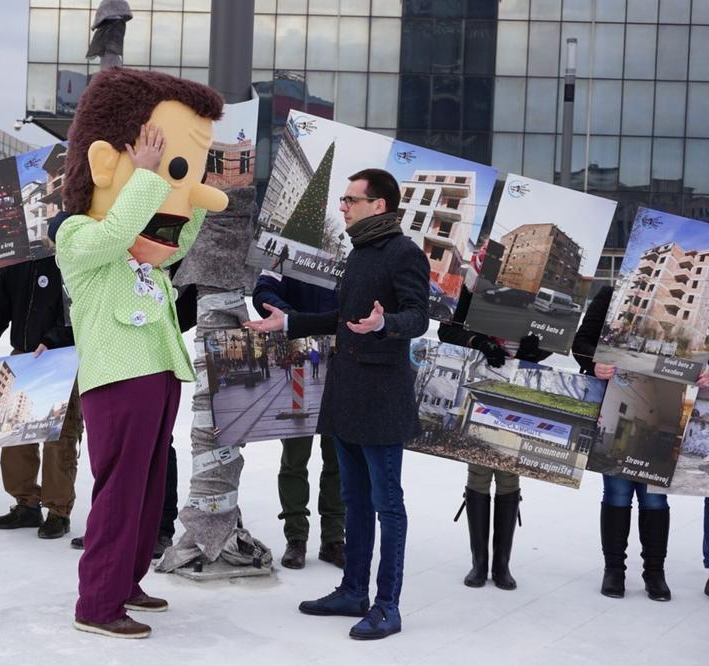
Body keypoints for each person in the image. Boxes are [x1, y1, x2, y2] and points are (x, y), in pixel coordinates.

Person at [56, 67, 228, 639]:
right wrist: (149, 176)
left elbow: (184, 239)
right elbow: (114, 233)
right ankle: (97, 604)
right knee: (119, 490)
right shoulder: (78, 234)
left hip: (157, 376)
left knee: (149, 490)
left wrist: (191, 188)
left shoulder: (147, 260)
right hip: (117, 378)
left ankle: (126, 581)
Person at [247, 168, 429, 640]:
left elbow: (418, 317)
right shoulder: (360, 253)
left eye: (351, 198)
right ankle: (353, 591)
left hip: (382, 400)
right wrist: (287, 323)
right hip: (346, 395)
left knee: (387, 504)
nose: (342, 205)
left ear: (379, 206)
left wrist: (385, 324)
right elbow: (339, 317)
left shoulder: (402, 253)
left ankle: (387, 605)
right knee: (355, 500)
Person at [572, 286, 709, 601]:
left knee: (654, 498)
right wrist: (594, 362)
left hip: (669, 404)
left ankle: (654, 574)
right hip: (617, 398)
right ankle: (614, 570)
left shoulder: (700, 301)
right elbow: (582, 341)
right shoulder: (612, 292)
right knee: (617, 492)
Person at [437, 245, 550, 591]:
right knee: (479, 467)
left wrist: (536, 349)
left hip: (518, 388)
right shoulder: (471, 292)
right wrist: (479, 341)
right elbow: (447, 331)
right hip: (482, 383)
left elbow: (555, 338)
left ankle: (502, 565)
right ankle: (479, 562)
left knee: (509, 471)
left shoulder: (534, 297)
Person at [0, 233, 83, 539]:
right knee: (15, 434)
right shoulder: (14, 261)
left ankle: (58, 511)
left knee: (59, 439)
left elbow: (78, 310)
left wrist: (54, 338)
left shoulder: (68, 256)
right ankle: (26, 504)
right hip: (24, 358)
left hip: (61, 357)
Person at [253, 271, 344, 570]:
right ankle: (296, 537)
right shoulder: (292, 249)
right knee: (294, 459)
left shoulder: (356, 255)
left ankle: (334, 539)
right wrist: (293, 318)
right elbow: (264, 289)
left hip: (343, 365)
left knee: (339, 460)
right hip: (298, 363)